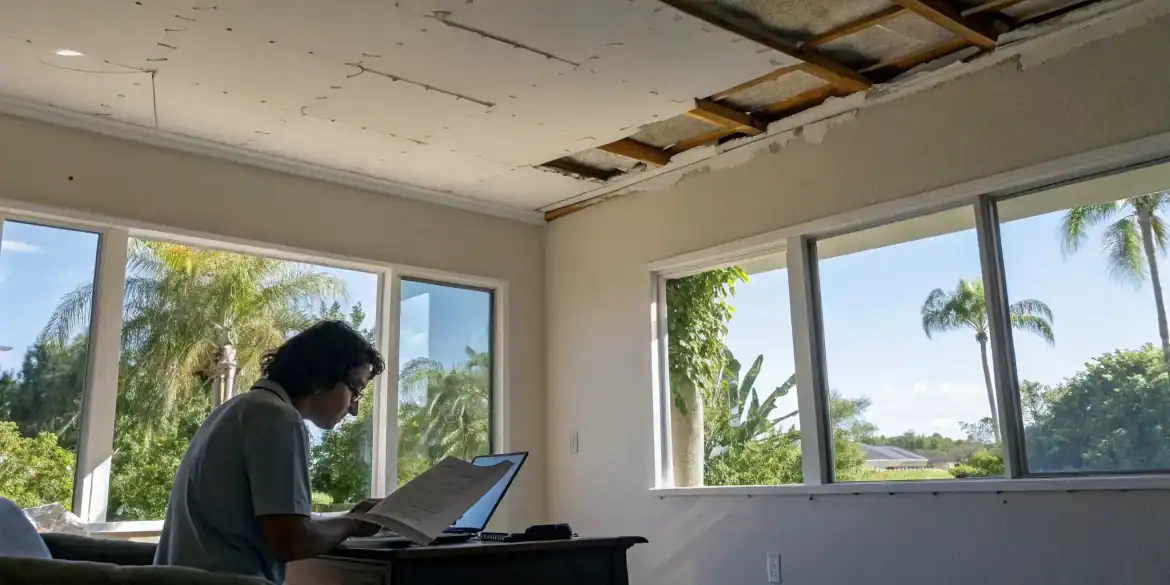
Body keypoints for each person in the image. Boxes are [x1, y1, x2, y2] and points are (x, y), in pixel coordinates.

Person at [155, 320, 386, 584]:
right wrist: (354, 523)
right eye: (356, 390)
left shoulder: (236, 409)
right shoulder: (280, 420)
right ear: (323, 375)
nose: (354, 409)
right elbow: (290, 541)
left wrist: (348, 518)